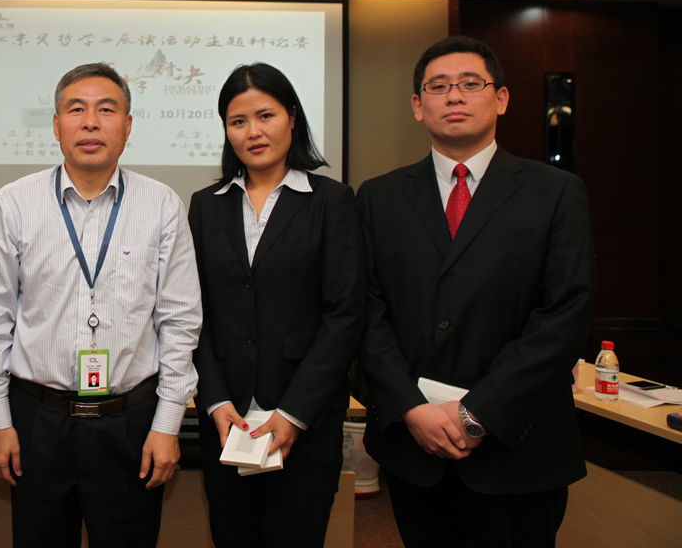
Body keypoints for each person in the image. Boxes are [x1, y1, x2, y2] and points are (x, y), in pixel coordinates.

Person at [356, 36, 596, 548]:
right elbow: (367, 314)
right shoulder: (378, 197)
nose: (454, 96)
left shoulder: (555, 192)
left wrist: (477, 413)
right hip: (415, 447)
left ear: (501, 98)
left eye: (470, 83)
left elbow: (564, 316)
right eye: (438, 86)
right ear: (417, 105)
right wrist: (411, 408)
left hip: (518, 447)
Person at [0, 62, 203, 548]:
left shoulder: (162, 205)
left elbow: (180, 322)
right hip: (37, 421)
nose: (91, 122)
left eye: (107, 110)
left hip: (131, 421)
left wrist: (168, 424)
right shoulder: (13, 203)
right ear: (56, 125)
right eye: (76, 110)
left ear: (128, 125)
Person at [189, 63, 365, 547]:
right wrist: (215, 402)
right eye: (238, 121)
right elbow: (192, 315)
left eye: (265, 115)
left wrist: (293, 414)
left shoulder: (331, 200)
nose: (253, 132)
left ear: (292, 117)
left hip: (305, 417)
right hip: (228, 420)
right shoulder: (206, 204)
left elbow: (345, 315)